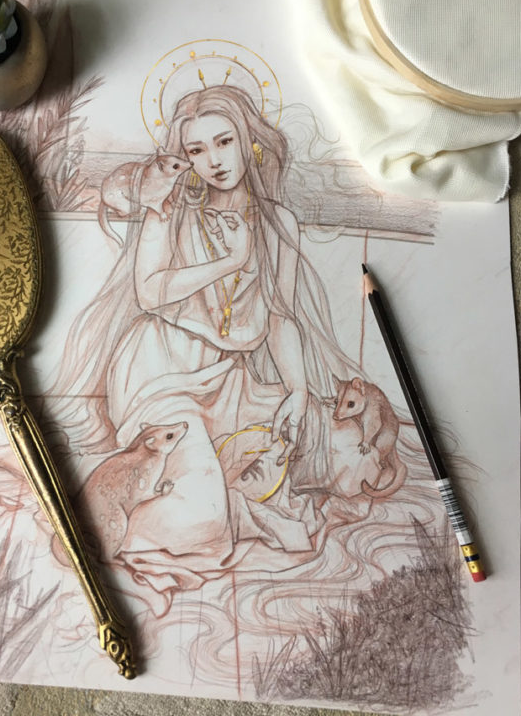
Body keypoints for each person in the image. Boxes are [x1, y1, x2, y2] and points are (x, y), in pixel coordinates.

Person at [52, 83, 375, 597]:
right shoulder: (169, 208)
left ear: (249, 141)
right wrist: (230, 260)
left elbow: (279, 315)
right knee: (204, 514)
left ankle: (221, 498)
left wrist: (296, 389)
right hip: (161, 368)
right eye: (197, 150)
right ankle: (112, 534)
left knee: (331, 454)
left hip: (230, 380)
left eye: (224, 142)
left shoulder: (278, 222)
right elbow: (151, 292)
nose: (214, 161)